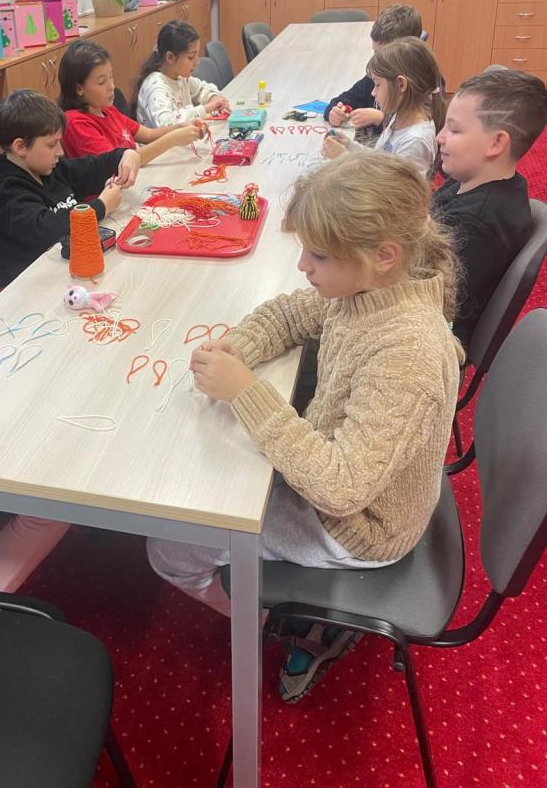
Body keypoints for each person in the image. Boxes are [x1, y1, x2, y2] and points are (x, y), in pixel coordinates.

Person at [147, 152, 463, 701]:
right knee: (212, 471)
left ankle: (261, 620)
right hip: (348, 484)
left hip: (359, 527)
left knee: (169, 543)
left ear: (383, 255)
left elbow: (341, 489)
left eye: (317, 255)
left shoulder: (406, 352)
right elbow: (294, 313)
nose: (303, 266)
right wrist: (240, 348)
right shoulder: (367, 291)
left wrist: (246, 392)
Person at [434, 68, 547, 349]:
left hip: (431, 339)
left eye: (454, 129)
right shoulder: (469, 179)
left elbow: (429, 297)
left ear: (496, 143)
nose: (440, 137)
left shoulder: (475, 223)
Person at [0, 90, 138, 284]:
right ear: (21, 147)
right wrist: (101, 206)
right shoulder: (5, 190)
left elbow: (90, 168)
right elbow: (44, 229)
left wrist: (125, 155)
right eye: (52, 144)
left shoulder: (46, 167)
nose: (60, 152)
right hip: (37, 283)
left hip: (70, 268)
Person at [57, 39, 204, 158]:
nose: (111, 86)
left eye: (111, 77)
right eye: (102, 82)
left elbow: (149, 134)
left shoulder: (107, 110)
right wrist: (173, 139)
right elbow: (120, 163)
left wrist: (181, 127)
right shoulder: (76, 123)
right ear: (79, 88)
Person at [322, 36, 445, 174]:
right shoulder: (399, 116)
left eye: (377, 85)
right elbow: (380, 160)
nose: (373, 92)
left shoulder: (416, 141)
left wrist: (343, 158)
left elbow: (385, 186)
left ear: (401, 85)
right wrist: (350, 146)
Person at [324, 4, 423, 139]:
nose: (376, 59)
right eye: (375, 52)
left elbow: (417, 131)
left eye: (382, 54)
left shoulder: (423, 85)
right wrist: (335, 111)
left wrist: (381, 118)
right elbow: (345, 99)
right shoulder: (378, 76)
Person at [133, 20, 230, 127]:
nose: (197, 62)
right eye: (191, 57)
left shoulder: (179, 77)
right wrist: (206, 109)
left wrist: (214, 97)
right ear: (170, 57)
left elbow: (202, 88)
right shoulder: (156, 87)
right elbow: (166, 124)